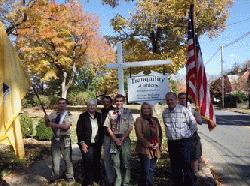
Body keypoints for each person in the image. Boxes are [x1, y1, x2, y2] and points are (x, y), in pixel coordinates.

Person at [162, 92, 197, 186]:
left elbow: (193, 125)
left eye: (171, 99)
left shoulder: (184, 110)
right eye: (168, 100)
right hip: (172, 143)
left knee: (186, 167)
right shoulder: (164, 113)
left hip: (184, 143)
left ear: (176, 100)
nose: (170, 102)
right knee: (175, 167)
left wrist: (187, 134)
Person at [104, 94, 134, 186]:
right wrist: (115, 139)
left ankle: (126, 182)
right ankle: (118, 181)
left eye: (121, 101)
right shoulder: (110, 113)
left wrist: (122, 139)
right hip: (114, 140)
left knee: (126, 162)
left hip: (125, 140)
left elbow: (130, 127)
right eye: (117, 101)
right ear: (114, 102)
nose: (119, 103)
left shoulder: (128, 112)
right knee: (115, 163)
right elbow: (108, 127)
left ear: (123, 102)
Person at [44, 98, 74, 183]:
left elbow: (65, 127)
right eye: (60, 103)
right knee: (55, 159)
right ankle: (55, 176)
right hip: (55, 138)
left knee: (67, 158)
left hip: (65, 138)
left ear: (66, 104)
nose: (61, 105)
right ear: (58, 104)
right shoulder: (53, 114)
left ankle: (69, 176)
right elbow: (47, 125)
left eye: (63, 103)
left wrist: (51, 124)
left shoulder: (69, 114)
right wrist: (46, 119)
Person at [76, 99, 104, 186]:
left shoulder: (100, 116)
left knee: (96, 161)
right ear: (87, 106)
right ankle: (88, 181)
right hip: (87, 144)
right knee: (88, 162)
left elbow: (103, 129)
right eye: (90, 105)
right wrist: (82, 144)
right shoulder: (82, 116)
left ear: (96, 106)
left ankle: (96, 179)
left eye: (93, 105)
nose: (92, 107)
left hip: (97, 144)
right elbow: (79, 131)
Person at [134, 102, 162, 186]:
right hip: (144, 149)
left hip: (155, 148)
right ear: (142, 110)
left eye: (148, 108)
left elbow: (160, 133)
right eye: (144, 108)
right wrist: (148, 144)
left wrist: (158, 143)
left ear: (151, 110)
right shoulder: (139, 120)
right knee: (145, 170)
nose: (146, 110)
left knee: (151, 170)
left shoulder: (155, 120)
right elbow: (139, 135)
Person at [178, 92, 203, 173]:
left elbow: (200, 122)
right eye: (181, 98)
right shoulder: (175, 110)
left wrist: (192, 114)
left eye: (184, 98)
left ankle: (193, 177)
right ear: (178, 100)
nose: (182, 100)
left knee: (194, 158)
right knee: (183, 161)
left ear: (187, 99)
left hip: (193, 138)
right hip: (181, 138)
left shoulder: (193, 110)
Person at [101, 96, 115, 185]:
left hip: (114, 137)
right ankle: (110, 179)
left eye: (108, 102)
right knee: (106, 158)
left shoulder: (115, 111)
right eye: (104, 102)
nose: (106, 103)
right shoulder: (101, 112)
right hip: (105, 137)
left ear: (111, 102)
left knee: (115, 159)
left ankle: (117, 177)